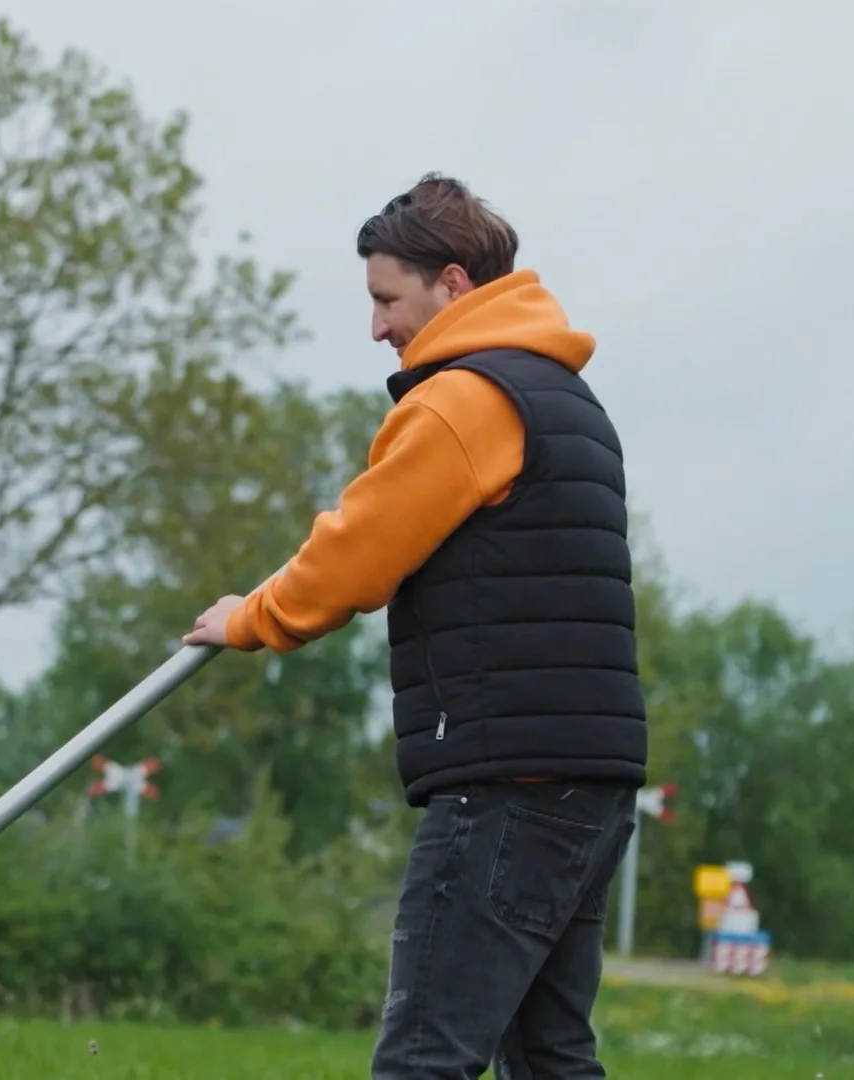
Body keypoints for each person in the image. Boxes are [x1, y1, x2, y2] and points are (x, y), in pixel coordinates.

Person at [182, 173, 646, 1079]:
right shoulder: (567, 400)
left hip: (507, 785)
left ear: (454, 286)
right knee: (552, 1059)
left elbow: (355, 554)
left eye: (387, 299)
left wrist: (251, 618)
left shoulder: (465, 399)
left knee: (424, 1058)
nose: (378, 327)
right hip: (590, 781)